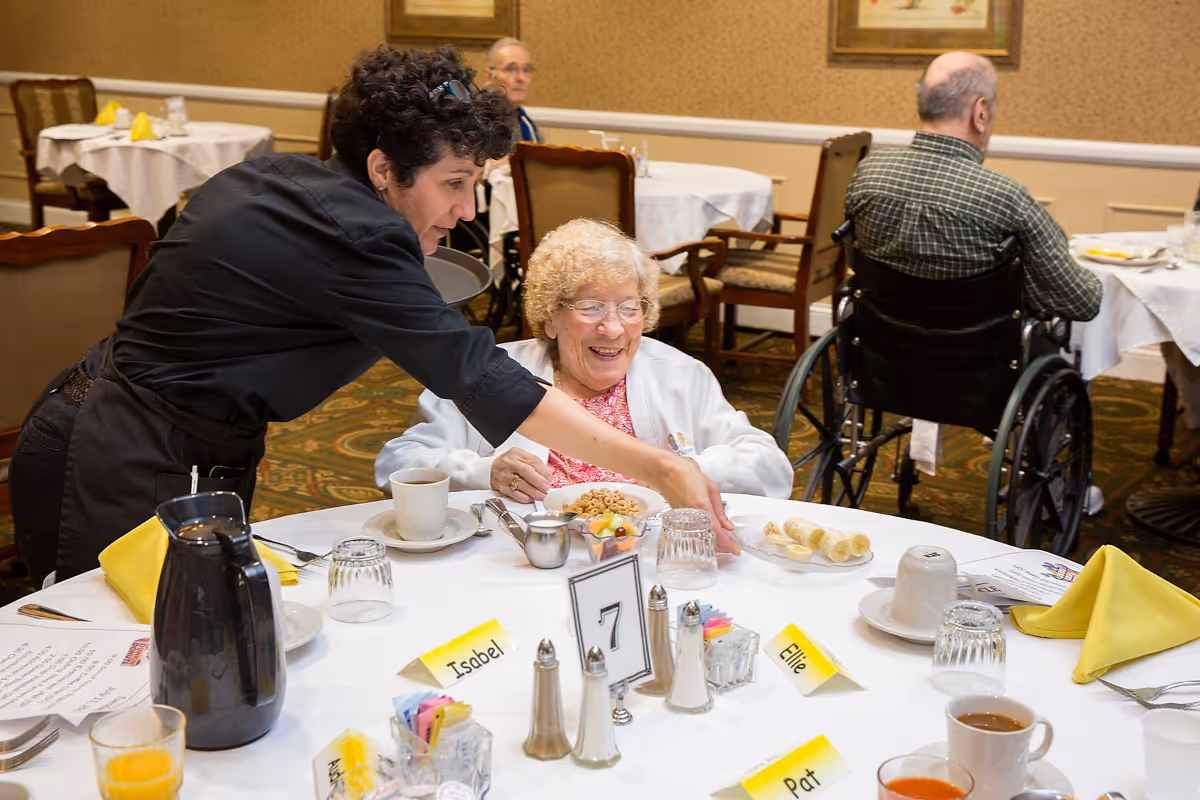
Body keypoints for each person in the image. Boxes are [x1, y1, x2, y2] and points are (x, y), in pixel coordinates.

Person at [10, 46, 732, 584]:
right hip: (119, 450)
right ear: (384, 169)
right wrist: (662, 467)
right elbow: (478, 375)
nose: (466, 210)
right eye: (454, 183)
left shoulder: (291, 180)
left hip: (184, 439)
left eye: (475, 183)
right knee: (121, 672)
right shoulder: (358, 236)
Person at [375, 219, 795, 532]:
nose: (613, 329)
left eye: (630, 308)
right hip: (525, 558)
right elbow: (396, 465)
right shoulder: (488, 374)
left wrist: (679, 470)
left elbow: (772, 468)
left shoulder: (680, 375)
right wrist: (484, 472)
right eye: (591, 307)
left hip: (652, 561)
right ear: (551, 317)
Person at [844, 51, 1102, 322]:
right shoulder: (1004, 197)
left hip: (885, 347)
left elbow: (855, 261)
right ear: (980, 112)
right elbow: (1081, 303)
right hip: (981, 357)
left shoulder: (867, 174)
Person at [487, 37, 541, 144]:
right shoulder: (475, 123)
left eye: (526, 70)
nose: (520, 78)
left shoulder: (527, 124)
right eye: (510, 69)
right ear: (489, 76)